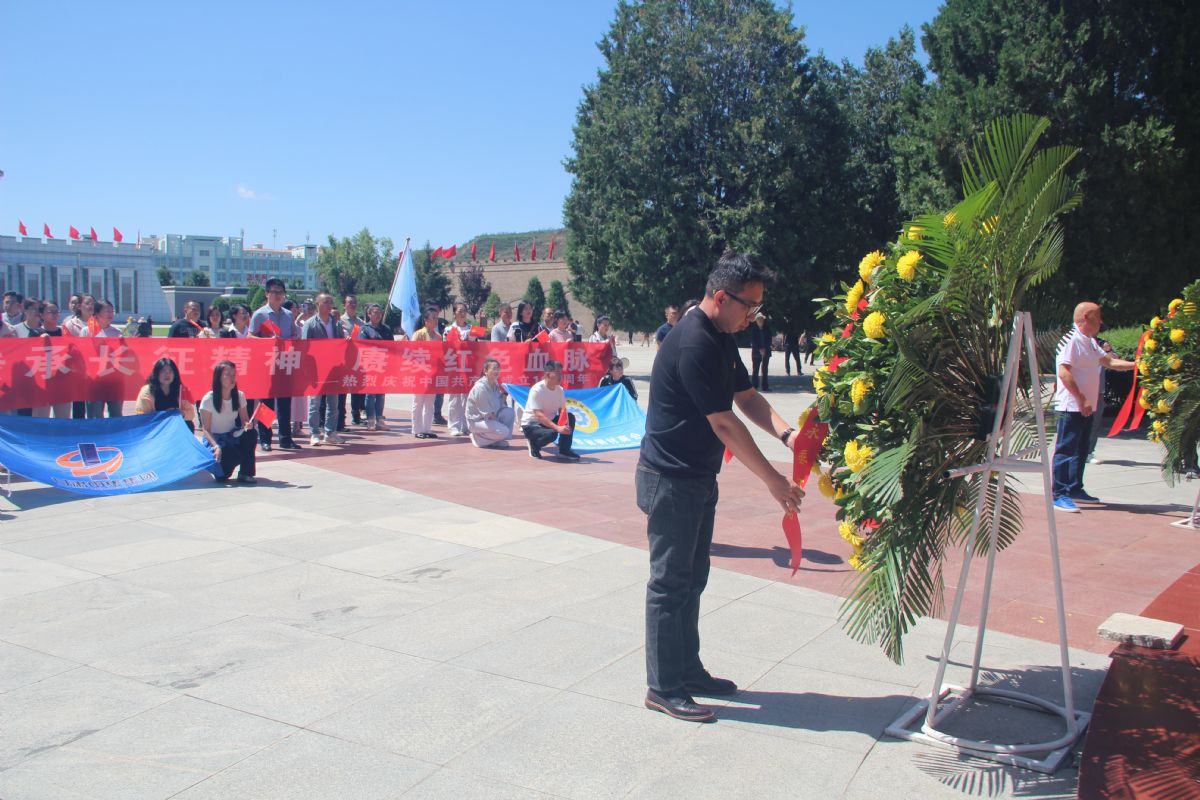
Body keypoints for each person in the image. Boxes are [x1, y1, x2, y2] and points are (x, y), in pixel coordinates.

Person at [638, 252, 805, 723]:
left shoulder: (719, 335)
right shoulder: (695, 341)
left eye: (757, 308)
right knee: (670, 584)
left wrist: (788, 436)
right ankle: (663, 686)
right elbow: (725, 423)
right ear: (721, 296)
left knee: (692, 579)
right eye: (749, 306)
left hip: (694, 476)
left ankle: (687, 670)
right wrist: (774, 481)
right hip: (670, 478)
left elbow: (746, 397)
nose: (753, 317)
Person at [1052, 302, 1135, 512]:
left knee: (1081, 449)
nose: (1101, 322)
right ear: (1086, 317)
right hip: (1071, 407)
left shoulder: (1089, 341)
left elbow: (1109, 362)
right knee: (1066, 450)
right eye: (1098, 317)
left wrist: (1137, 365)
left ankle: (1074, 488)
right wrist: (1081, 399)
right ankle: (1059, 494)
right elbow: (1064, 373)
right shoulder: (1070, 340)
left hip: (1086, 407)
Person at [249, 278, 301, 451]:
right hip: (266, 365)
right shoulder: (260, 314)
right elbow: (250, 337)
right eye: (274, 292)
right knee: (266, 403)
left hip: (284, 363)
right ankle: (265, 438)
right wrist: (267, 341)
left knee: (285, 402)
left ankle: (286, 438)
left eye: (281, 292)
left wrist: (291, 339)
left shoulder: (288, 315)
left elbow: (294, 335)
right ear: (267, 294)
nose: (278, 295)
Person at [199, 360, 257, 484]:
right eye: (228, 374)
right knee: (223, 476)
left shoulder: (239, 396)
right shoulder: (208, 399)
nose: (232, 378)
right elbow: (206, 429)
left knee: (251, 433)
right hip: (216, 439)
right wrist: (216, 446)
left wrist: (247, 424)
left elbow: (244, 419)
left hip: (232, 435)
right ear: (218, 378)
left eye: (234, 374)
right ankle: (222, 470)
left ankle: (246, 473)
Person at [301, 292, 345, 446]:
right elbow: (304, 347)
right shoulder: (310, 324)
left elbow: (341, 343)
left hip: (333, 369)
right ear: (317, 304)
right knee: (315, 403)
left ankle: (330, 433)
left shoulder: (336, 323)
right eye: (325, 302)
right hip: (316, 369)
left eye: (330, 302)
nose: (328, 305)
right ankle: (314, 433)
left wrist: (346, 341)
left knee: (333, 404)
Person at [520, 360, 579, 461]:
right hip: (532, 425)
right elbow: (539, 415)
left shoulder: (559, 390)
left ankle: (564, 450)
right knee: (552, 434)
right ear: (548, 374)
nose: (560, 376)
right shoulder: (537, 389)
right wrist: (557, 428)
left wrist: (565, 424)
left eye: (561, 373)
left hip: (548, 421)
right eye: (557, 373)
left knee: (570, 418)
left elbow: (562, 411)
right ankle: (534, 444)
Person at [30, 301, 72, 419]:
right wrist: (39, 342)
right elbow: (28, 356)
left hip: (62, 382)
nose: (54, 314)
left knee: (63, 419)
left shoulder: (64, 333)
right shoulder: (35, 333)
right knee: (41, 420)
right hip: (42, 384)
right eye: (50, 312)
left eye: (56, 312)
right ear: (41, 315)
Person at [134, 357, 197, 432]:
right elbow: (143, 416)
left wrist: (182, 413)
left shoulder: (179, 389)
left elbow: (191, 414)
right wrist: (165, 414)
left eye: (170, 371)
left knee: (188, 424)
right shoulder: (147, 391)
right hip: (155, 427)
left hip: (174, 426)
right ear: (157, 373)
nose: (167, 374)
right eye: (163, 371)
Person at [358, 303, 394, 430]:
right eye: (375, 313)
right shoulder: (365, 329)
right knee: (370, 394)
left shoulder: (386, 329)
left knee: (381, 394)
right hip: (371, 366)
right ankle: (370, 419)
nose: (378, 315)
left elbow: (393, 346)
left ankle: (379, 419)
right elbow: (362, 346)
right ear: (369, 314)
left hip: (383, 365)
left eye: (380, 313)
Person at [86, 301, 126, 419]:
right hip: (94, 380)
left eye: (112, 311)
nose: (110, 314)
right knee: (95, 415)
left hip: (113, 378)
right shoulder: (87, 331)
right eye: (107, 311)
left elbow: (123, 356)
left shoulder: (117, 332)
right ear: (97, 313)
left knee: (116, 413)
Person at [466, 357, 516, 448]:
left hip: (490, 418)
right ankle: (479, 439)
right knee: (504, 431)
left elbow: (501, 405)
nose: (497, 371)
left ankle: (496, 440)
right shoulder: (480, 388)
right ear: (485, 371)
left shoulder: (495, 385)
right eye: (494, 369)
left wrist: (504, 395)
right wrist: (499, 425)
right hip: (477, 421)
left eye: (498, 369)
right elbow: (487, 413)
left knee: (509, 412)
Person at [411, 306, 441, 439]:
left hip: (432, 373)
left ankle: (427, 429)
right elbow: (412, 352)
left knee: (430, 402)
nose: (436, 320)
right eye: (433, 318)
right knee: (418, 401)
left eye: (437, 318)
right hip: (420, 372)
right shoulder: (418, 334)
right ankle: (417, 429)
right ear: (426, 320)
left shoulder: (438, 337)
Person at [443, 302, 473, 436]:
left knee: (467, 397)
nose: (462, 313)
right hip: (454, 366)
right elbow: (445, 347)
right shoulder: (449, 329)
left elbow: (478, 347)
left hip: (468, 367)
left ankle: (465, 425)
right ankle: (454, 426)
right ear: (454, 313)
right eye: (460, 311)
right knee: (454, 397)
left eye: (464, 311)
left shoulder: (471, 329)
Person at [341, 294, 365, 427]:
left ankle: (356, 416)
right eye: (350, 302)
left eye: (354, 302)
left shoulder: (360, 323)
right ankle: (341, 418)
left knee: (357, 389)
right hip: (343, 360)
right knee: (343, 390)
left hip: (357, 360)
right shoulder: (340, 321)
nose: (352, 305)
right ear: (344, 305)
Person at [749, 312, 772, 392]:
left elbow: (769, 339)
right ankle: (754, 386)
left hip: (766, 352)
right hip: (756, 352)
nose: (760, 320)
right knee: (755, 369)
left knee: (765, 369)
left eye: (761, 319)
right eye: (758, 319)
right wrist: (760, 349)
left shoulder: (767, 329)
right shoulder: (753, 330)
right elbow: (753, 341)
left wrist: (765, 348)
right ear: (756, 320)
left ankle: (765, 386)